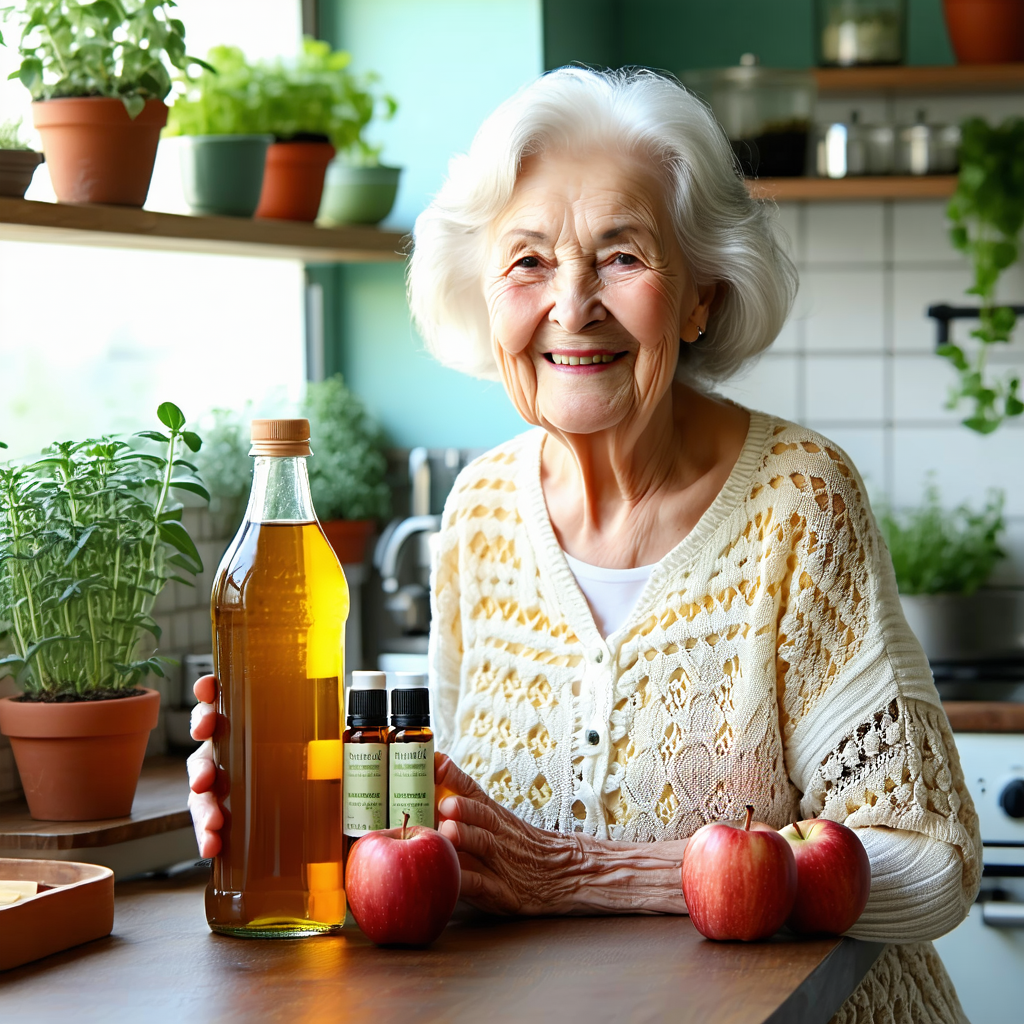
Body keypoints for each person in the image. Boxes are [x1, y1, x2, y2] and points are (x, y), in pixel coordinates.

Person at [189, 68, 979, 1023]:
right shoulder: (478, 513)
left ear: (698, 296)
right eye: (527, 263)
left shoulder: (798, 503)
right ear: (486, 303)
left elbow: (927, 862)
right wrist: (290, 819)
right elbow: (429, 832)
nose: (572, 306)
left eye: (621, 257)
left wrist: (595, 875)